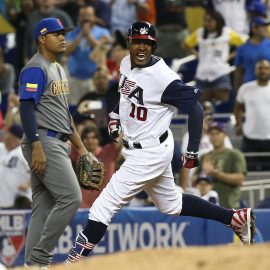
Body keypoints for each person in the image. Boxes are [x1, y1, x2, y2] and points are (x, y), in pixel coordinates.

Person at [66, 22, 255, 263]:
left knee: (103, 207)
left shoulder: (163, 78)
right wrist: (114, 116)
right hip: (145, 148)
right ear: (129, 44)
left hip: (149, 153)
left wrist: (192, 150)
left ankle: (72, 261)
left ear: (154, 46)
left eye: (147, 43)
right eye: (137, 42)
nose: (142, 47)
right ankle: (234, 218)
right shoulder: (126, 64)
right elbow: (126, 94)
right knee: (171, 205)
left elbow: (196, 110)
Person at [18, 18, 92, 268]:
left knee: (43, 205)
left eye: (64, 33)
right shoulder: (35, 68)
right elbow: (26, 109)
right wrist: (36, 145)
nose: (63, 37)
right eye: (57, 33)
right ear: (42, 38)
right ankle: (42, 258)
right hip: (44, 141)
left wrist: (81, 147)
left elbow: (63, 112)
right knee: (71, 198)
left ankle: (32, 264)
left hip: (58, 140)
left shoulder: (58, 67)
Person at [184, 10, 244, 103]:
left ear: (218, 21)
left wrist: (230, 56)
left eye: (210, 20)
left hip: (220, 73)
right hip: (202, 75)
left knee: (223, 101)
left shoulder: (227, 32)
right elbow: (186, 44)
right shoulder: (200, 32)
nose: (207, 23)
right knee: (201, 104)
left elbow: (242, 44)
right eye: (205, 20)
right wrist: (197, 55)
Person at [65, 5, 111, 105]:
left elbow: (103, 50)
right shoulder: (72, 33)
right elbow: (67, 51)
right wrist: (81, 35)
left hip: (94, 80)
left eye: (88, 15)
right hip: (74, 79)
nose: (85, 18)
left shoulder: (103, 32)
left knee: (93, 109)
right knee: (74, 110)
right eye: (83, 15)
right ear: (79, 17)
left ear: (94, 17)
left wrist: (88, 35)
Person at [194, 122, 247, 209]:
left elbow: (240, 179)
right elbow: (193, 181)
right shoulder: (205, 156)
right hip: (207, 210)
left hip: (229, 207)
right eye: (211, 134)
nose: (214, 137)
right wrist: (204, 173)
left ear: (224, 135)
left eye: (217, 133)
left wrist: (216, 174)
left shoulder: (235, 154)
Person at [234, 59, 270, 170]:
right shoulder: (245, 88)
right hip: (250, 138)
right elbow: (238, 108)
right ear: (255, 71)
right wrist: (238, 124)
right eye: (260, 68)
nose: (263, 71)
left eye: (266, 68)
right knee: (246, 171)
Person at [234, 17, 270, 91]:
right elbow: (238, 71)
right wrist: (237, 89)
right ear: (254, 28)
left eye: (266, 26)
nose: (266, 28)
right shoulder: (243, 48)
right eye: (263, 26)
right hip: (249, 87)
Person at [0, 125, 31, 209]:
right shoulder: (3, 148)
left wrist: (28, 184)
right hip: (4, 204)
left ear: (14, 138)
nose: (4, 137)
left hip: (20, 203)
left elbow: (41, 170)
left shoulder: (24, 152)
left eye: (7, 135)